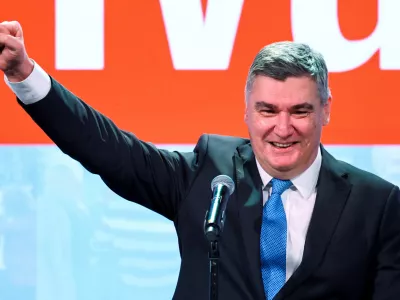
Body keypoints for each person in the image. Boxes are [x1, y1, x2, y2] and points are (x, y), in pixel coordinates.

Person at [0, 20, 399, 300]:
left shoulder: (377, 204)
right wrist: (25, 75)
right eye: (266, 110)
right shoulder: (210, 173)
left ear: (326, 109)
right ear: (245, 110)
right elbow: (107, 149)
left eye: (299, 111)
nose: (282, 127)